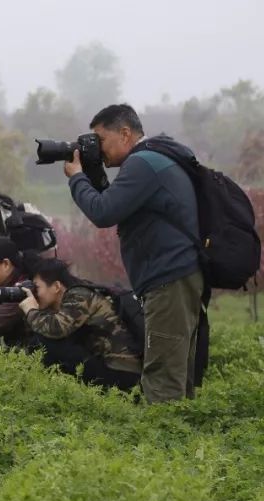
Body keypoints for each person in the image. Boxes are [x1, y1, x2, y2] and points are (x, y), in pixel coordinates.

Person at [63, 103, 203, 403]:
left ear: (125, 133)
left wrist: (76, 178)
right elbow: (113, 201)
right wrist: (92, 173)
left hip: (168, 278)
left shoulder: (143, 163)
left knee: (162, 374)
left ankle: (162, 444)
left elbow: (103, 212)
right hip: (175, 275)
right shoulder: (154, 157)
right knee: (176, 369)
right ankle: (184, 441)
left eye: (100, 140)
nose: (97, 148)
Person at [19, 259, 142, 393]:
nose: (35, 294)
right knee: (42, 340)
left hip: (121, 372)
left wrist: (31, 311)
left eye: (36, 288)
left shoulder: (79, 295)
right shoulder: (69, 300)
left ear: (56, 286)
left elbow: (56, 329)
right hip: (108, 367)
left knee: (46, 342)